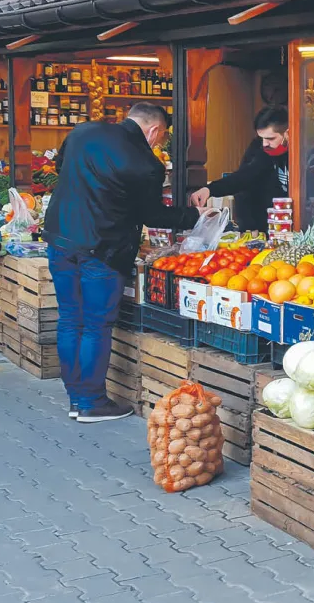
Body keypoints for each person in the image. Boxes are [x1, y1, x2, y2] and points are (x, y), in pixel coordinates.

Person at [44, 102, 208, 423]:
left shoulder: (83, 131)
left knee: (69, 319)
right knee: (95, 324)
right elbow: (153, 215)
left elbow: (62, 166)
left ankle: (76, 397)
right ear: (154, 130)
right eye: (159, 139)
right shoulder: (147, 163)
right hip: (102, 248)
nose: (158, 144)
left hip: (60, 238)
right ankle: (91, 402)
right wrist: (194, 216)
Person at [189, 106, 289, 233]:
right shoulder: (261, 150)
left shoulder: (301, 154)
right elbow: (244, 176)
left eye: (270, 139)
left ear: (287, 134)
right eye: (261, 138)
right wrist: (210, 189)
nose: (264, 144)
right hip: (262, 227)